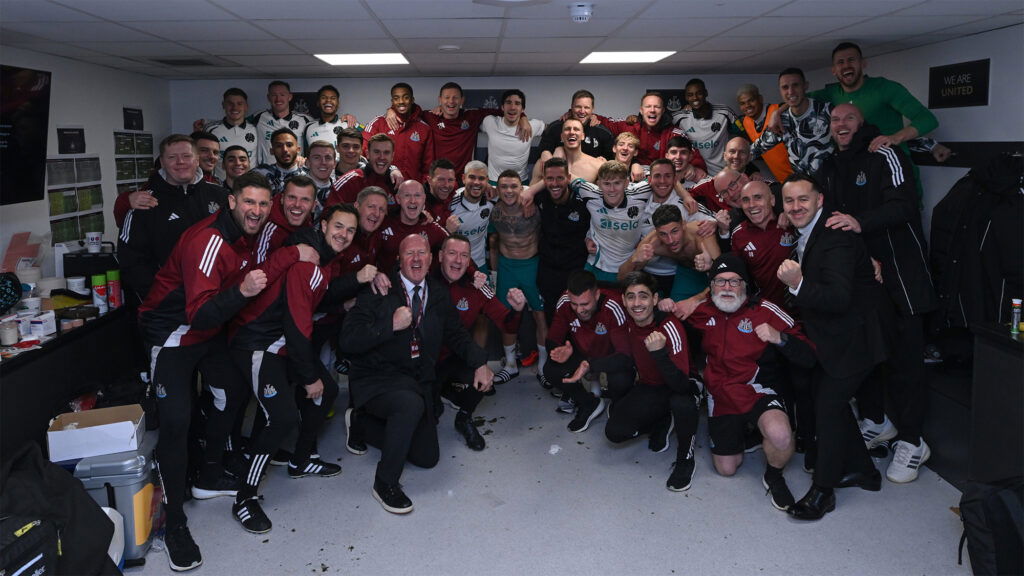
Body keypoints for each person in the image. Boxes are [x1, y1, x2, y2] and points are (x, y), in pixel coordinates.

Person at [138, 172, 314, 569]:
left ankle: (209, 475)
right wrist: (243, 292)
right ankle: (173, 525)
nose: (256, 211)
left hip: (208, 332)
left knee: (232, 393)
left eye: (263, 204)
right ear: (231, 202)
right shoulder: (209, 240)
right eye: (248, 202)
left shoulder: (252, 234)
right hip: (172, 334)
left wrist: (294, 254)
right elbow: (198, 314)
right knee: (177, 420)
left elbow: (265, 264)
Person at [817, 103, 936, 483]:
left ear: (861, 122)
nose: (841, 125)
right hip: (865, 274)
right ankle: (877, 421)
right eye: (835, 120)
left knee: (905, 360)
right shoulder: (831, 164)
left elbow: (904, 206)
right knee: (866, 351)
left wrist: (860, 223)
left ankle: (913, 440)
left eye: (848, 118)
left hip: (902, 274)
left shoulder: (885, 153)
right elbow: (829, 215)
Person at [227, 204, 359, 534]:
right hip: (258, 343)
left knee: (328, 391)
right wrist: (308, 375)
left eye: (351, 230)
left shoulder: (325, 262)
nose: (344, 234)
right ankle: (244, 498)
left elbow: (310, 307)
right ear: (324, 225)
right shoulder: (307, 261)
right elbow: (300, 323)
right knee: (282, 417)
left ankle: (300, 461)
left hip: (282, 341)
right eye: (338, 227)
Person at [339, 234, 494, 514]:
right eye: (409, 253)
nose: (416, 259)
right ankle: (385, 483)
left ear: (431, 259)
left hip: (415, 379)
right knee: (409, 405)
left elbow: (456, 334)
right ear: (399, 259)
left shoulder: (437, 292)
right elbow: (348, 340)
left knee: (427, 457)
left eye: (422, 253)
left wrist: (480, 363)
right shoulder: (379, 289)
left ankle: (361, 424)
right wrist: (390, 324)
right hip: (377, 378)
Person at [777, 173, 888, 521]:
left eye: (803, 200)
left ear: (820, 201)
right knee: (830, 404)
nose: (796, 207)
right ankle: (865, 473)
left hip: (856, 340)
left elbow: (838, 298)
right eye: (789, 201)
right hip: (835, 337)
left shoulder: (836, 238)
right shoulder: (813, 230)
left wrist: (797, 284)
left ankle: (823, 492)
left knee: (828, 407)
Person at [685, 253, 815, 511]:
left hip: (757, 390)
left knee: (780, 436)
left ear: (746, 285)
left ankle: (774, 475)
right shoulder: (701, 312)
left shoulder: (766, 310)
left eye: (734, 282)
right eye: (720, 282)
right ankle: (749, 431)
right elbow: (672, 318)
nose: (727, 288)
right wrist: (674, 304)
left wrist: (781, 338)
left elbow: (810, 355)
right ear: (710, 287)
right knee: (726, 469)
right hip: (720, 395)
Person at [608, 271, 702, 492]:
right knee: (615, 432)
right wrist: (587, 366)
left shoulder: (669, 326)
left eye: (643, 296)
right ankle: (662, 420)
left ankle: (685, 460)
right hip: (652, 385)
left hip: (683, 384)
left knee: (682, 402)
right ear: (623, 301)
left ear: (655, 299)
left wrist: (659, 353)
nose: (637, 303)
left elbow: (681, 384)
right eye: (631, 297)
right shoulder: (629, 322)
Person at [434, 234, 525, 450]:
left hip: (455, 354)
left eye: (464, 255)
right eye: (452, 253)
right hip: (424, 359)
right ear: (439, 256)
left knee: (484, 378)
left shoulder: (477, 286)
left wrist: (517, 309)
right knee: (428, 415)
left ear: (469, 261)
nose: (457, 260)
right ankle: (438, 394)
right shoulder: (425, 278)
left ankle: (464, 417)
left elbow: (507, 325)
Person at [117, 134, 229, 306]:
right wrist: (163, 297)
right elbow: (132, 262)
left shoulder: (221, 196)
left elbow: (237, 246)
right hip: (168, 307)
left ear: (197, 159)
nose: (180, 162)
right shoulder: (143, 204)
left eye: (186, 156)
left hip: (219, 301)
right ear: (162, 162)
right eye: (172, 157)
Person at [544, 270, 633, 432]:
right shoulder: (564, 301)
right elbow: (552, 339)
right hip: (581, 351)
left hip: (608, 356)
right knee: (551, 370)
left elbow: (625, 356)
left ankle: (617, 401)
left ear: (597, 295)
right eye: (574, 304)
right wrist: (559, 350)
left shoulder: (613, 306)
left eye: (585, 304)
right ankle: (589, 402)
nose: (579, 310)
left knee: (622, 381)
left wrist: (591, 365)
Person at [487, 170, 549, 384]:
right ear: (498, 189)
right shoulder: (494, 211)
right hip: (506, 267)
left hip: (532, 265)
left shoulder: (534, 207)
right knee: (506, 316)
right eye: (504, 186)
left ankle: (543, 365)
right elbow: (493, 244)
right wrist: (495, 276)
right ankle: (511, 365)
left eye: (514, 186)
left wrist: (531, 192)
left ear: (521, 187)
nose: (509, 191)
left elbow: (548, 175)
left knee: (540, 315)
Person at [624, 159, 715, 296]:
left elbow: (710, 221)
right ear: (649, 179)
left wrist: (714, 223)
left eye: (668, 176)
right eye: (657, 176)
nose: (662, 181)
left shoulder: (686, 205)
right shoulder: (638, 199)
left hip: (677, 271)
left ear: (675, 179)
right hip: (644, 268)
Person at [531, 157, 592, 330]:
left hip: (575, 269)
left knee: (577, 318)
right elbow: (519, 194)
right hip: (548, 269)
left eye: (560, 178)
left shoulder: (583, 202)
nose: (554, 183)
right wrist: (529, 194)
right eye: (549, 179)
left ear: (568, 178)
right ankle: (554, 352)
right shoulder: (539, 197)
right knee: (552, 317)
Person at [751, 68, 834, 176]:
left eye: (796, 85)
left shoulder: (826, 111)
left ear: (805, 86)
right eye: (785, 87)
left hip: (832, 182)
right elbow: (756, 149)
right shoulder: (781, 120)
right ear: (780, 90)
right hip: (803, 186)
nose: (790, 91)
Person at [362, 82, 434, 184]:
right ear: (392, 101)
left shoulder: (424, 129)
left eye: (405, 97)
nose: (401, 101)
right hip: (382, 186)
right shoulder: (378, 123)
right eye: (396, 98)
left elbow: (428, 165)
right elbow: (364, 153)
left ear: (412, 100)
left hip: (411, 190)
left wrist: (422, 186)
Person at [376, 180, 449, 273]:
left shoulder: (431, 226)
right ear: (398, 199)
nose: (413, 201)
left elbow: (456, 247)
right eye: (407, 195)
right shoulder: (383, 224)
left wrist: (473, 273)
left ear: (424, 199)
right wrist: (376, 274)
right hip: (386, 284)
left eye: (417, 195)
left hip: (419, 284)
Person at [671, 78, 740, 174]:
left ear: (706, 93)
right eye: (690, 95)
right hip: (694, 174)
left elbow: (743, 137)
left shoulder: (725, 112)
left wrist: (749, 168)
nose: (695, 98)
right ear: (686, 98)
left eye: (699, 93)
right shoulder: (679, 117)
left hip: (722, 172)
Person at [478, 89, 545, 183]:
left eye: (517, 103)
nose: (512, 107)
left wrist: (569, 114)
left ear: (523, 109)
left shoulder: (532, 126)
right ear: (502, 107)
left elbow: (553, 128)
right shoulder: (490, 122)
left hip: (520, 182)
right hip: (494, 183)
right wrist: (523, 118)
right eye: (508, 103)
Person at [536, 89, 615, 169]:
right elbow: (541, 152)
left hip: (592, 177)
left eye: (586, 107)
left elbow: (612, 161)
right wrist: (544, 153)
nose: (582, 111)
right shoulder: (555, 128)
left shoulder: (603, 132)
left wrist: (605, 161)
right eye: (578, 107)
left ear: (592, 109)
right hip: (560, 176)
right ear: (571, 107)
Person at [736, 83, 792, 182]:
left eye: (751, 100)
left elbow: (799, 102)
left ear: (760, 99)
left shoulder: (779, 111)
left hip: (803, 175)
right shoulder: (745, 122)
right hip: (783, 180)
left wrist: (778, 112)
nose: (747, 106)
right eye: (742, 103)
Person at [195, 87, 258, 175]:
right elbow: (200, 156)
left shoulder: (256, 129)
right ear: (223, 105)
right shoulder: (211, 129)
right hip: (220, 185)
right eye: (230, 103)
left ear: (246, 106)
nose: (234, 107)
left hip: (249, 185)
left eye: (239, 103)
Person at [254, 175, 316, 264]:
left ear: (314, 206)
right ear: (282, 199)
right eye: (292, 197)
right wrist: (294, 253)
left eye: (305, 199)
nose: (297, 204)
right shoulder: (269, 230)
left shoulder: (309, 225)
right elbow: (258, 272)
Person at [445, 161, 494, 270]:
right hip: (454, 263)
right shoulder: (450, 202)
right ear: (463, 178)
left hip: (479, 263)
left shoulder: (492, 201)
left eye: (481, 178)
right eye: (472, 177)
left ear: (487, 180)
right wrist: (447, 230)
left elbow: (516, 192)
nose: (476, 182)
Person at [327, 134, 401, 205]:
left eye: (386, 152)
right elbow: (328, 213)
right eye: (376, 152)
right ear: (368, 154)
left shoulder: (397, 182)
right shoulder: (350, 181)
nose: (381, 157)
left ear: (392, 156)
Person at [251, 80, 313, 166]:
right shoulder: (258, 117)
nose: (278, 99)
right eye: (274, 95)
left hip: (296, 171)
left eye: (282, 95)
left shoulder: (305, 120)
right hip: (268, 172)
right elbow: (237, 120)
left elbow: (321, 126)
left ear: (290, 97)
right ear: (268, 97)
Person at [541, 118, 606, 183]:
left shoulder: (597, 166)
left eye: (576, 129)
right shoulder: (543, 163)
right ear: (561, 137)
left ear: (583, 136)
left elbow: (610, 190)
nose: (572, 132)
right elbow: (531, 191)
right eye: (567, 129)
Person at [253, 128, 308, 195]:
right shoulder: (260, 174)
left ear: (298, 149)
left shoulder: (308, 176)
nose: (285, 149)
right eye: (279, 146)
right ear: (272, 151)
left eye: (289, 145)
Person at [303, 84, 358, 151]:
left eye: (333, 98)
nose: (328, 100)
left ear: (338, 103)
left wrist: (356, 121)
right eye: (323, 98)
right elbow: (305, 155)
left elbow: (365, 132)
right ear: (318, 103)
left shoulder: (349, 123)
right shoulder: (309, 127)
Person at [304, 140, 337, 221]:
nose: (323, 162)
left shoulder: (340, 189)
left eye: (328, 158)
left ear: (335, 164)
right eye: (317, 158)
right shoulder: (294, 188)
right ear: (307, 163)